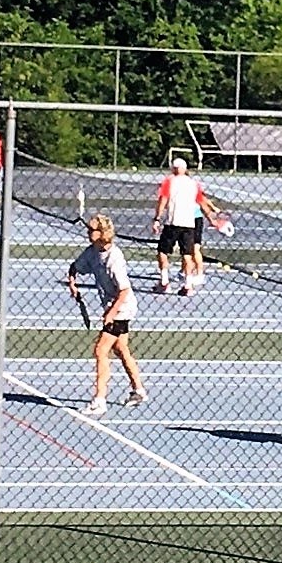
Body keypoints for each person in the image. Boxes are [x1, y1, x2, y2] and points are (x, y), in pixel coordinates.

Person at [64, 214, 147, 414]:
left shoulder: (114, 259)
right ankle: (139, 390)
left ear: (102, 233)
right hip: (112, 306)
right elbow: (74, 267)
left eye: (92, 230)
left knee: (101, 350)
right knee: (120, 349)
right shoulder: (92, 251)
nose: (88, 232)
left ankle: (99, 400)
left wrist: (111, 313)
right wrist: (72, 283)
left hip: (122, 308)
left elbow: (124, 290)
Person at [152, 156, 213, 294]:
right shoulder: (193, 183)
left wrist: (157, 218)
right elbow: (201, 202)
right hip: (189, 223)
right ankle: (188, 285)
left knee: (162, 251)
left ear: (173, 169)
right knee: (187, 254)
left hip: (173, 222)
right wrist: (211, 219)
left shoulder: (169, 181)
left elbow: (163, 200)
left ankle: (164, 282)